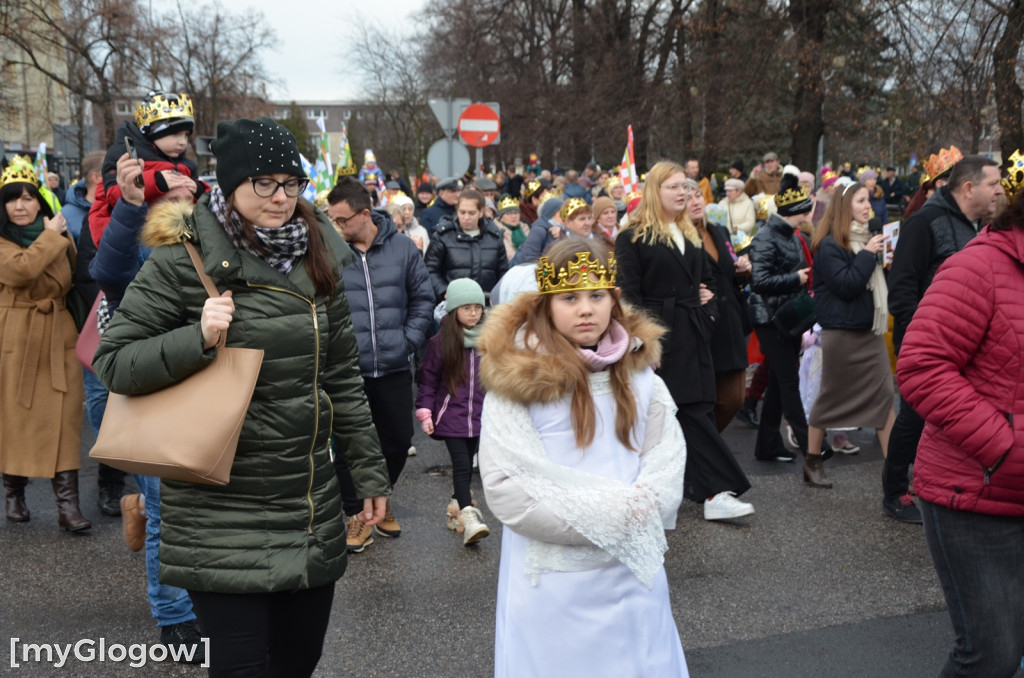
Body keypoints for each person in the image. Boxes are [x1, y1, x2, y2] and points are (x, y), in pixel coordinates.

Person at [92, 117, 389, 676]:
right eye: (265, 183)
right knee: (241, 667)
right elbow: (114, 361)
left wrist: (369, 474)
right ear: (230, 184)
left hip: (308, 505)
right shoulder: (185, 257)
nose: (281, 198)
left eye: (292, 183)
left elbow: (344, 376)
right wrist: (196, 338)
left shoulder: (320, 251)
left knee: (299, 662)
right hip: (218, 511)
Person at [478, 239, 689, 677]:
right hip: (555, 586)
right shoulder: (518, 385)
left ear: (614, 300)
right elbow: (509, 487)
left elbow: (665, 458)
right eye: (570, 298)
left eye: (597, 295)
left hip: (632, 577)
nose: (586, 309)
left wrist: (645, 506)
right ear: (546, 305)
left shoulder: (641, 377)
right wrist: (618, 515)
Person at [896, 164, 1023, 678]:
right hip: (975, 493)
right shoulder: (980, 267)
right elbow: (922, 366)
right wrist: (1005, 447)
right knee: (991, 655)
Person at [89, 152, 202, 657]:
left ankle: (200, 597)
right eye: (171, 199)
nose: (184, 206)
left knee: (195, 508)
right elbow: (107, 268)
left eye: (190, 197)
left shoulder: (212, 244)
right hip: (149, 391)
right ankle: (174, 615)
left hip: (202, 393)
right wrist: (131, 206)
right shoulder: (139, 251)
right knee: (167, 511)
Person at [616, 160, 753, 520]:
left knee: (699, 406)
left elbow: (708, 282)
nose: (683, 193)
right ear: (654, 191)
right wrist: (645, 344)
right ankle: (716, 490)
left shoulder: (689, 234)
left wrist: (706, 313)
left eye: (686, 187)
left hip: (693, 331)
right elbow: (628, 297)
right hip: (660, 338)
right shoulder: (632, 237)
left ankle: (695, 490)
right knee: (685, 411)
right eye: (673, 187)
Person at [883, 154, 1003, 523]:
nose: (1000, 191)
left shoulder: (979, 227)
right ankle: (894, 491)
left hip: (969, 344)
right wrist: (926, 332)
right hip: (928, 342)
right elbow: (901, 288)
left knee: (951, 417)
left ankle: (939, 483)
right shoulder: (924, 223)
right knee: (915, 417)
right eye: (993, 184)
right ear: (969, 188)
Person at [324, 177, 434, 554]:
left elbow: (423, 299)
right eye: (331, 220)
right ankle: (357, 512)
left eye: (342, 220)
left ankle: (379, 501)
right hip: (346, 370)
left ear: (365, 214)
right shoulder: (327, 252)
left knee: (399, 440)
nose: (335, 227)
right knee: (349, 446)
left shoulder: (403, 249)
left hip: (392, 366)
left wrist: (407, 342)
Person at [0, 159, 91, 532]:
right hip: (16, 335)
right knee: (14, 420)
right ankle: (14, 494)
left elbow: (72, 279)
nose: (21, 206)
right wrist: (52, 236)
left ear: (40, 201)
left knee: (66, 418)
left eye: (27, 198)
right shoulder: (13, 239)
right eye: (12, 200)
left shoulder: (58, 233)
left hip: (58, 333)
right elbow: (21, 270)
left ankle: (68, 507)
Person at [806, 182, 896, 486]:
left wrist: (885, 263)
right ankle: (812, 459)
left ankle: (894, 471)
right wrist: (869, 256)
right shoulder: (830, 245)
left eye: (868, 200)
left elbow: (875, 286)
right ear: (846, 207)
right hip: (841, 334)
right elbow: (846, 286)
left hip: (869, 333)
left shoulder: (866, 241)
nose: (867, 205)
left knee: (885, 398)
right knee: (830, 397)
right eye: (860, 200)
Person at [748, 166, 824, 481]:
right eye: (808, 208)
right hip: (770, 320)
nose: (812, 211)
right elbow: (759, 280)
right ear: (799, 211)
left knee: (780, 384)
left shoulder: (791, 235)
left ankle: (767, 444)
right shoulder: (766, 235)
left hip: (788, 317)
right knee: (789, 383)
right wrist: (796, 277)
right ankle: (811, 451)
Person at [415, 278, 490, 546]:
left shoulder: (490, 338)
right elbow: (428, 379)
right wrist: (425, 410)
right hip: (451, 416)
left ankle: (453, 507)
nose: (473, 313)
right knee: (461, 466)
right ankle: (468, 518)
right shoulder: (440, 342)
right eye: (466, 308)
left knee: (467, 465)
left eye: (477, 308)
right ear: (454, 310)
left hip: (480, 417)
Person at [87, 90, 204, 247]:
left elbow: (203, 199)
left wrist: (198, 188)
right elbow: (115, 194)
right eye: (175, 134)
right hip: (126, 239)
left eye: (186, 135)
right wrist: (157, 182)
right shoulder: (125, 154)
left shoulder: (184, 163)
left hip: (173, 235)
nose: (183, 142)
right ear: (153, 132)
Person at [689, 189, 751, 431]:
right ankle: (704, 455)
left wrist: (742, 269)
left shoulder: (718, 230)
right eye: (688, 198)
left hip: (731, 323)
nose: (695, 202)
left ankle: (705, 450)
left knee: (735, 398)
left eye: (697, 196)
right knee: (708, 400)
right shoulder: (678, 238)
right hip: (703, 325)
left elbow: (728, 270)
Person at [424, 187, 509, 301]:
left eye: (471, 213)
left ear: (481, 212)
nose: (466, 218)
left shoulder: (495, 237)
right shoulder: (443, 236)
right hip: (453, 304)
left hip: (487, 304)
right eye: (462, 212)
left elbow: (503, 273)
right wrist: (444, 291)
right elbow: (430, 270)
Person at [493, 195, 528, 261]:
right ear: (501, 217)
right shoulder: (497, 231)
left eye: (516, 213)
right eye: (509, 213)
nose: (513, 216)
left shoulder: (526, 228)